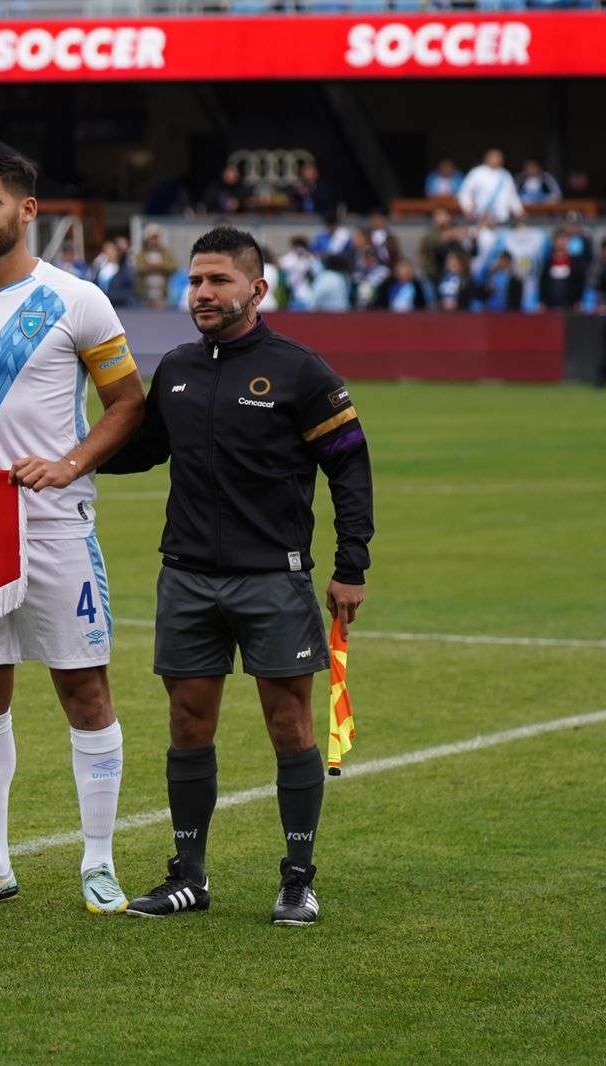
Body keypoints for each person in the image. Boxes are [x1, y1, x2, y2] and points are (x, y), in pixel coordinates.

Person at [102, 226, 374, 926]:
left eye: (218, 281)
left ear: (257, 288)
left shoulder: (301, 371)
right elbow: (143, 450)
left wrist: (351, 567)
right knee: (188, 723)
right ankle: (188, 874)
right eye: (195, 282)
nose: (203, 294)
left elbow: (350, 466)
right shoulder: (180, 368)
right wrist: (66, 455)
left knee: (290, 725)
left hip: (272, 580)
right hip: (187, 576)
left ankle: (298, 878)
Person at [0, 151, 144, 911]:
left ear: (27, 210)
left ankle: (98, 862)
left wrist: (71, 464)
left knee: (83, 686)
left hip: (52, 526)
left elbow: (127, 403)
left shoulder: (77, 301)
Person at [458, 149, 523, 225]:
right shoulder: (477, 173)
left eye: (499, 157)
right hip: (481, 218)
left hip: (501, 219)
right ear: (486, 158)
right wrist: (467, 208)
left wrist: (519, 211)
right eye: (493, 157)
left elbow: (512, 196)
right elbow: (465, 192)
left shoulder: (506, 175)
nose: (496, 159)